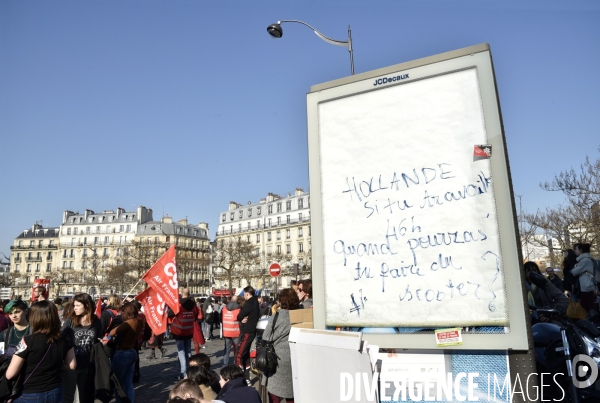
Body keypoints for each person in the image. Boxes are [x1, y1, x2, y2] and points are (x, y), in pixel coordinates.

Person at [5, 300, 76, 403]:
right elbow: (72, 365)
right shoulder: (65, 338)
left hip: (29, 392)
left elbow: (10, 374)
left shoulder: (27, 340)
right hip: (55, 390)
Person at [62, 293, 104, 403]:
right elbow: (61, 339)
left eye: (77, 305)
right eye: (74, 305)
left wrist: (104, 342)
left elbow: (98, 340)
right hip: (71, 365)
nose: (74, 308)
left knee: (86, 396)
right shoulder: (70, 321)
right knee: (68, 397)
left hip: (88, 365)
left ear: (87, 305)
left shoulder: (96, 322)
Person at [260, 288, 299, 403]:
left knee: (274, 394)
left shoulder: (277, 315)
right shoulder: (299, 315)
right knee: (291, 394)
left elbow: (266, 337)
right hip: (293, 357)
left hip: (276, 358)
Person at [109, 302, 141, 403]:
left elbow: (113, 332)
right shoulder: (139, 321)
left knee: (118, 383)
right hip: (132, 351)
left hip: (122, 353)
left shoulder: (128, 323)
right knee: (128, 383)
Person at [169, 288, 201, 379]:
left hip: (179, 331)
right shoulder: (194, 305)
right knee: (188, 351)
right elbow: (195, 316)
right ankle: (189, 371)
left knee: (181, 352)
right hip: (189, 330)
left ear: (182, 294)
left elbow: (169, 314)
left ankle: (183, 373)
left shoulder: (179, 305)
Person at [235, 286, 260, 382]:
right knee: (245, 355)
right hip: (252, 330)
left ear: (247, 293)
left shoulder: (249, 303)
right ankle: (247, 378)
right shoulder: (255, 302)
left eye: (244, 294)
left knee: (239, 354)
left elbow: (239, 316)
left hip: (247, 331)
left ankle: (238, 378)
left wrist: (242, 318)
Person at [572, 243, 598, 313]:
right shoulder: (584, 260)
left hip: (587, 286)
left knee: (590, 304)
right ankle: (593, 318)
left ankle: (595, 320)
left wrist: (573, 269)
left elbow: (575, 272)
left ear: (581, 250)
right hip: (586, 286)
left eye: (575, 249)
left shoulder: (585, 260)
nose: (574, 251)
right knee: (584, 303)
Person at [221, 295, 240, 366]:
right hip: (236, 332)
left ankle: (225, 364)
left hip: (226, 332)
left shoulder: (224, 308)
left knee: (227, 349)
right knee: (238, 349)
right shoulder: (238, 309)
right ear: (237, 301)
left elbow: (221, 319)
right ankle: (236, 363)